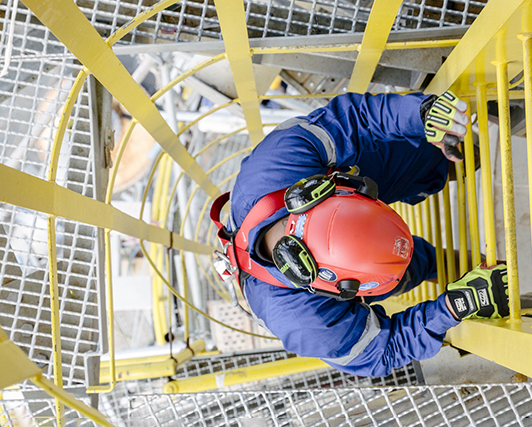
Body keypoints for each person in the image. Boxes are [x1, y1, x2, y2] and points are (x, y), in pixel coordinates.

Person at [211, 91, 509, 377]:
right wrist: (455, 306)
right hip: (343, 280)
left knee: (421, 160)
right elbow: (382, 349)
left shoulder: (280, 162)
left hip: (352, 177)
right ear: (339, 287)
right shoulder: (306, 321)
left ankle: (450, 160)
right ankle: (464, 271)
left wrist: (421, 115)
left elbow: (353, 119)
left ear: (319, 192)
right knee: (414, 266)